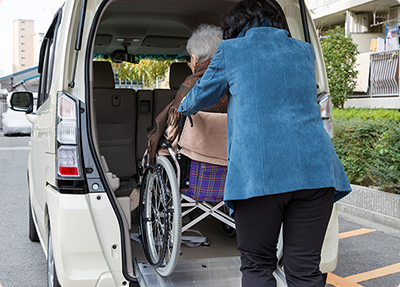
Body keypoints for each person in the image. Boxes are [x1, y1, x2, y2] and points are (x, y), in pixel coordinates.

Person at [178, 0, 352, 286]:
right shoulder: (304, 51)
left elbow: (198, 99)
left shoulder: (231, 50)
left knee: (258, 265)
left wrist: (183, 105)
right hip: (317, 171)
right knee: (305, 268)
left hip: (260, 175)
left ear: (235, 26)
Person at [130, 24, 228, 211]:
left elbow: (173, 130)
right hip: (232, 170)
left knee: (157, 148)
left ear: (193, 59)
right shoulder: (234, 84)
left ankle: (142, 191)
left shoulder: (192, 87)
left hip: (193, 173)